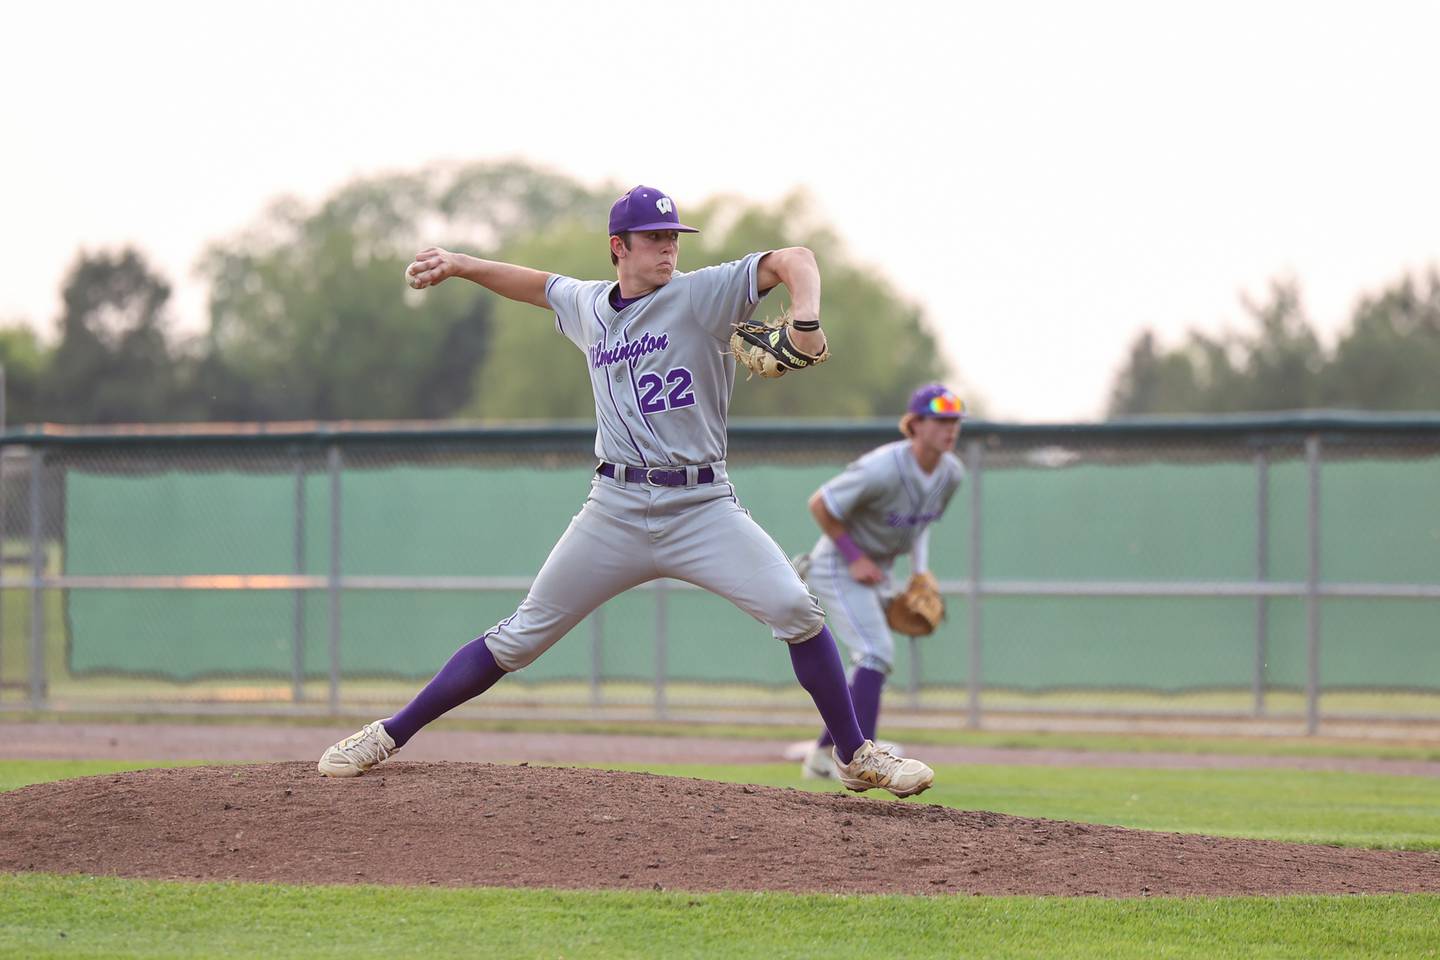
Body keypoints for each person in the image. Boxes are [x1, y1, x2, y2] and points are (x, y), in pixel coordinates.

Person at [317, 184, 935, 798]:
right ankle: (388, 734)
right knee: (519, 638)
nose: (668, 250)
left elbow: (794, 257)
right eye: (654, 239)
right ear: (619, 247)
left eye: (673, 238)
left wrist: (805, 319)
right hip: (613, 508)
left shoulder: (701, 294)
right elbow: (536, 285)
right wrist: (460, 263)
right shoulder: (589, 305)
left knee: (798, 612)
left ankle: (855, 755)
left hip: (701, 507)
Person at [794, 383, 966, 780]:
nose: (950, 428)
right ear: (916, 424)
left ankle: (823, 755)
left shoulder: (951, 474)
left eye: (955, 420)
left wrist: (920, 571)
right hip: (839, 564)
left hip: (879, 570)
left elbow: (921, 525)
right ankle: (860, 760)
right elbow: (820, 504)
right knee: (875, 652)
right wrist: (855, 558)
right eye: (941, 420)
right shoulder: (883, 467)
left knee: (875, 656)